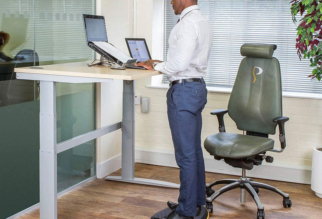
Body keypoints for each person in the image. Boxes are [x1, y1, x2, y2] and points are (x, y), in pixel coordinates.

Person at [137, 0, 213, 218]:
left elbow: (179, 65)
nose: (170, 1)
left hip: (184, 92)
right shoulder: (201, 21)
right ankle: (196, 203)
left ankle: (186, 211)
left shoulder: (188, 24)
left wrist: (155, 66)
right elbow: (186, 60)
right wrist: (161, 62)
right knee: (194, 152)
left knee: (185, 155)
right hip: (195, 88)